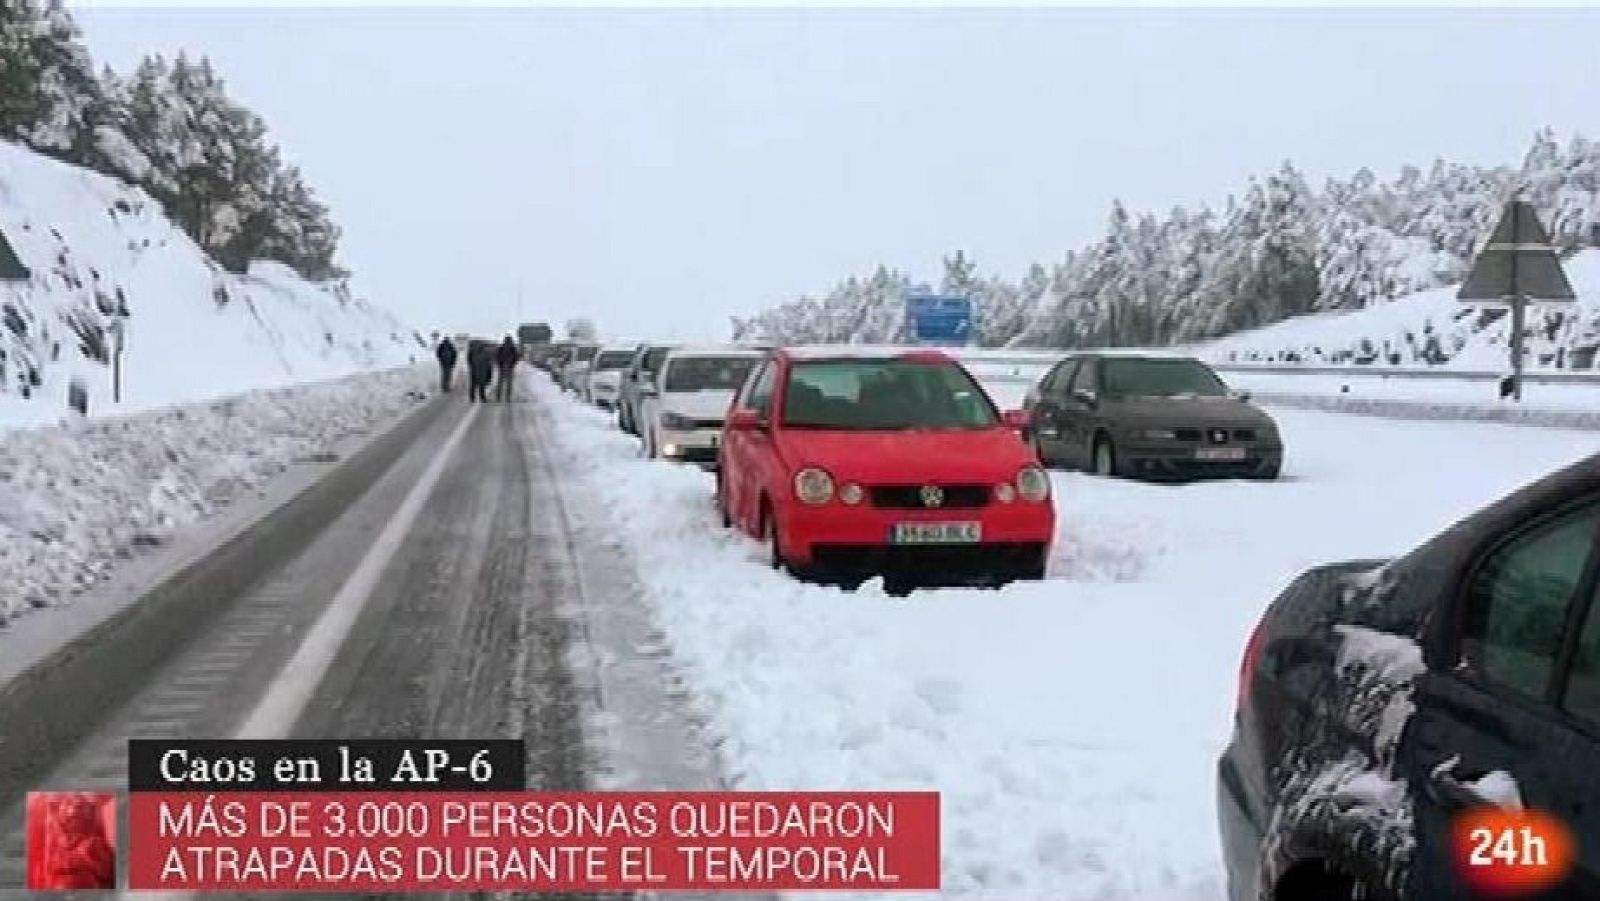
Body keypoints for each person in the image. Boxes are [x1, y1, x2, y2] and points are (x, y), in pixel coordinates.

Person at [495, 336, 522, 402]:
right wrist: (513, 364)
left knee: (500, 383)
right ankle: (507, 397)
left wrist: (500, 364)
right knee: (509, 384)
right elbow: (517, 357)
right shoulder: (513, 348)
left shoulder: (501, 348)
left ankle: (498, 397)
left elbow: (496, 356)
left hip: (502, 367)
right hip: (510, 368)